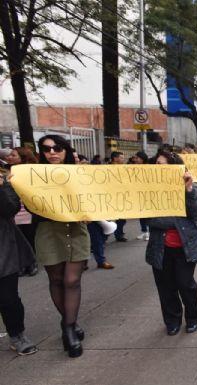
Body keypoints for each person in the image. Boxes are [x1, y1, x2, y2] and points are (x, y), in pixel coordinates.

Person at [34, 135, 89, 357]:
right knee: (56, 280)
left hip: (76, 230)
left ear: (65, 150)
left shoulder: (81, 175)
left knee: (72, 280)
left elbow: (95, 200)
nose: (52, 153)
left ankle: (68, 328)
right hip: (49, 232)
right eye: (46, 149)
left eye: (57, 148)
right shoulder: (32, 176)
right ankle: (70, 323)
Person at [145, 151, 197, 335]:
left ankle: (193, 317)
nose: (159, 167)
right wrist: (177, 219)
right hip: (160, 247)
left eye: (163, 164)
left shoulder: (191, 187)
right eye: (156, 163)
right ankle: (172, 320)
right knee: (165, 287)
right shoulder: (148, 189)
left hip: (185, 247)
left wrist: (188, 190)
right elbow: (150, 219)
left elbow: (195, 212)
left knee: (185, 283)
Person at [0, 169, 38, 356]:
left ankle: (17, 335)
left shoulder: (5, 183)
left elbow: (10, 208)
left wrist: (1, 186)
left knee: (8, 298)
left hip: (3, 251)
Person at [5, 147, 39, 277]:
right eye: (9, 155)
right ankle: (22, 263)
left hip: (27, 209)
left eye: (13, 155)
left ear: (23, 157)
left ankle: (32, 263)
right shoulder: (5, 171)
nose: (9, 157)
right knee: (18, 237)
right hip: (13, 209)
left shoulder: (31, 171)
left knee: (29, 236)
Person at [131, 151, 151, 241]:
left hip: (147, 194)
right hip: (138, 194)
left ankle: (149, 232)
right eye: (135, 158)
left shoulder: (149, 168)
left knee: (148, 215)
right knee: (141, 214)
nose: (135, 160)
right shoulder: (133, 168)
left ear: (142, 158)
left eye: (137, 158)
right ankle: (144, 231)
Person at [110, 151, 128, 242]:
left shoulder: (124, 168)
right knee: (107, 219)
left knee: (121, 219)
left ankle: (119, 234)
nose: (123, 159)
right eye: (121, 158)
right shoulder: (107, 169)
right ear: (115, 158)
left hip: (121, 197)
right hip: (110, 197)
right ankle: (101, 238)